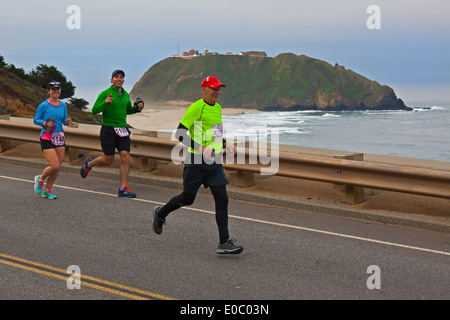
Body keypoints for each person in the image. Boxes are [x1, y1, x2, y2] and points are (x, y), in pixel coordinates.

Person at [152, 76, 243, 255]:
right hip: (195, 161)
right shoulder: (195, 108)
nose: (217, 92)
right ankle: (160, 214)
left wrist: (225, 144)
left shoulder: (217, 108)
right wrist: (200, 148)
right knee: (187, 198)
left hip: (214, 161)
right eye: (214, 89)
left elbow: (215, 134)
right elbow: (179, 134)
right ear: (204, 90)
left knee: (222, 199)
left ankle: (224, 242)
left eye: (219, 89)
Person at [79, 70, 144, 198]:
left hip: (123, 130)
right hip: (108, 130)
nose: (119, 79)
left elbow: (128, 110)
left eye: (121, 77)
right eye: (116, 77)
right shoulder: (105, 93)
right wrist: (105, 102)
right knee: (109, 160)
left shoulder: (125, 95)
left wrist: (137, 108)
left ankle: (123, 188)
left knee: (125, 156)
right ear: (111, 80)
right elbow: (94, 110)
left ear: (124, 80)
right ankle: (89, 164)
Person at [33, 81, 72, 199]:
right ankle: (40, 178)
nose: (55, 91)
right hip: (47, 137)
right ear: (48, 91)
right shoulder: (44, 105)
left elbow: (64, 119)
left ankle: (48, 189)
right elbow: (35, 120)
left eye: (57, 89)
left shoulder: (63, 105)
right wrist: (44, 123)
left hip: (59, 137)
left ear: (60, 90)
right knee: (54, 165)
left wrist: (67, 121)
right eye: (53, 89)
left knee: (58, 167)